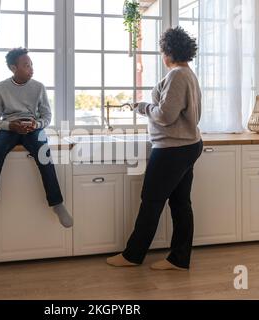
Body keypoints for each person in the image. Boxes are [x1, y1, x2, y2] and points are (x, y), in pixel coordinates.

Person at [107, 27, 203, 271]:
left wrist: (142, 107)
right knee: (181, 203)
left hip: (173, 148)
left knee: (151, 200)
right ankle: (179, 259)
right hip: (187, 145)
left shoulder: (177, 75)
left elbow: (165, 115)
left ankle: (133, 255)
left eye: (162, 51)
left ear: (169, 52)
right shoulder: (188, 74)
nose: (162, 55)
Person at [0, 48, 73, 233]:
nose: (31, 68)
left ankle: (57, 204)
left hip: (33, 128)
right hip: (9, 128)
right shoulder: (0, 88)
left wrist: (37, 124)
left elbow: (47, 116)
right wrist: (10, 125)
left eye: (31, 64)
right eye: (26, 65)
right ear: (13, 67)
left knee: (44, 155)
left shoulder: (38, 87)